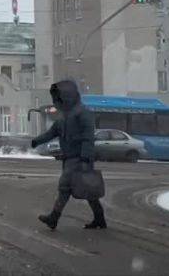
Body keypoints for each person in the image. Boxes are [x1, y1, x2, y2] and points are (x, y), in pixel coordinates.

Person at [30, 79, 106, 230]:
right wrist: (37, 141)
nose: (57, 101)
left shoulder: (82, 113)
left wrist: (85, 158)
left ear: (68, 97)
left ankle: (54, 217)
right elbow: (52, 133)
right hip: (70, 159)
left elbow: (88, 137)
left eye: (59, 97)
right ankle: (99, 219)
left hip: (78, 159)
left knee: (66, 187)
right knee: (87, 190)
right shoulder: (64, 116)